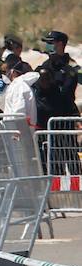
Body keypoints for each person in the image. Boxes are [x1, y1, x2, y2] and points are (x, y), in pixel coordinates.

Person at [39, 31, 82, 175]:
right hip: (48, 120)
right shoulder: (44, 67)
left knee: (71, 156)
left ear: (61, 44)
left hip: (65, 119)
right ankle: (57, 194)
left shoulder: (72, 67)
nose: (48, 45)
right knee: (53, 159)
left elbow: (67, 93)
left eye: (51, 42)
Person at [2, 59, 38, 128]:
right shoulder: (19, 85)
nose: (5, 74)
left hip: (17, 131)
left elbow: (19, 110)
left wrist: (17, 132)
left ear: (13, 72)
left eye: (6, 72)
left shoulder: (18, 86)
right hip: (19, 130)